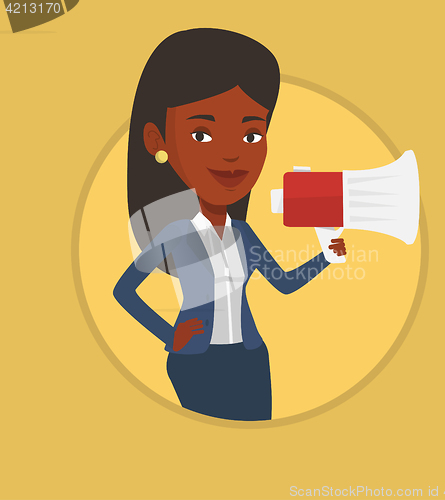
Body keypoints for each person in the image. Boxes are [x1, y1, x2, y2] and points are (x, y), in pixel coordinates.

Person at [113, 28, 346, 421]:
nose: (231, 153)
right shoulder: (175, 235)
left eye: (252, 134)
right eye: (201, 134)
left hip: (250, 359)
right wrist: (169, 335)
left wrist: (326, 257)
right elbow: (124, 292)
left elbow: (283, 284)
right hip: (195, 363)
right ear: (158, 142)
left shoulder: (243, 235)